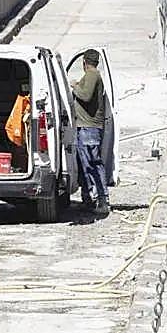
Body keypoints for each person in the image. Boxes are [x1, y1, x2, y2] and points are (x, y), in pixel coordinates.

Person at [73, 49, 109, 215]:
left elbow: (85, 96)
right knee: (85, 165)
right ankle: (88, 200)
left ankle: (102, 200)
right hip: (86, 127)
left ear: (84, 62)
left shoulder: (92, 75)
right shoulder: (92, 75)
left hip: (89, 128)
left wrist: (74, 86)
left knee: (93, 164)